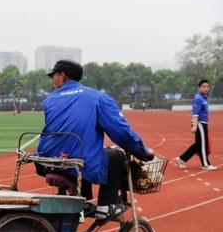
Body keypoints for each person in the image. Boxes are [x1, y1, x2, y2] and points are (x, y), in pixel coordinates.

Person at [36, 60, 155, 222]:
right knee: (117, 156)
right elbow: (120, 131)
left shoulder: (50, 100)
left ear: (62, 77)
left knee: (80, 156)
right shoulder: (97, 97)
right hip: (75, 162)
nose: (52, 80)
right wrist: (142, 151)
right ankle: (105, 207)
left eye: (53, 76)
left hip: (47, 163)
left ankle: (81, 203)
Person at [176, 79, 217, 171]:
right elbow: (195, 114)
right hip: (200, 123)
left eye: (207, 86)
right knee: (202, 145)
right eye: (204, 87)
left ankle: (182, 159)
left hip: (203, 123)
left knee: (198, 144)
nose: (206, 88)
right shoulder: (198, 98)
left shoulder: (204, 98)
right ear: (199, 88)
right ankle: (205, 164)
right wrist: (194, 126)